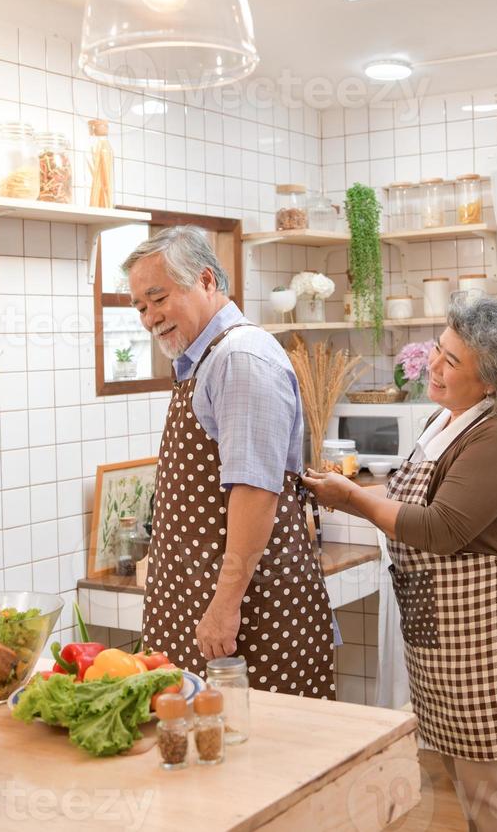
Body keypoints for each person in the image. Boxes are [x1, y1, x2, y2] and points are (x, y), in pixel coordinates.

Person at [303, 297, 497, 831]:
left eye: (451, 362)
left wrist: (352, 498)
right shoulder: (447, 420)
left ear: (490, 381)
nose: (433, 368)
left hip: (486, 632)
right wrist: (352, 488)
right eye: (437, 352)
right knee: (467, 786)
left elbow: (440, 529)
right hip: (444, 631)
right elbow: (412, 500)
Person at [123, 226, 334, 698]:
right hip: (201, 606)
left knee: (262, 761)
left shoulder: (240, 357)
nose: (150, 317)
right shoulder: (202, 360)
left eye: (158, 298)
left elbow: (255, 491)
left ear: (205, 280)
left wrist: (224, 605)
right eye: (140, 307)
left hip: (249, 615)